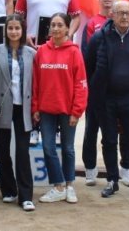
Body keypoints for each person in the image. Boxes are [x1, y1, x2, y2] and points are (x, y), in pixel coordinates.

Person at [84, 0, 129, 201]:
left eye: (128, 13)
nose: (124, 17)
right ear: (111, 15)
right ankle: (112, 181)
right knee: (109, 141)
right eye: (120, 13)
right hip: (107, 98)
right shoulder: (99, 37)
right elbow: (90, 66)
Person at [15, 0, 81, 145]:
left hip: (61, 47)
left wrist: (69, 34)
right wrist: (24, 34)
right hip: (34, 48)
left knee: (59, 87)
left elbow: (76, 16)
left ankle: (59, 129)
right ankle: (34, 129)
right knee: (33, 87)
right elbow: (18, 17)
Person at [32, 12, 88, 205]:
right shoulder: (41, 51)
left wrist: (76, 111)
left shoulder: (74, 52)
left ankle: (70, 186)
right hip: (46, 109)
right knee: (48, 148)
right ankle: (58, 186)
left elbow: (81, 84)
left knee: (68, 149)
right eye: (52, 25)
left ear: (67, 28)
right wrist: (35, 107)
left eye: (59, 25)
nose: (55, 28)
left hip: (67, 111)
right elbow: (36, 83)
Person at [81, 0, 129, 187]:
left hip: (122, 90)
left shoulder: (126, 21)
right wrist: (91, 87)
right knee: (91, 129)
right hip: (98, 89)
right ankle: (90, 169)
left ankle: (126, 169)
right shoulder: (92, 24)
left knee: (124, 131)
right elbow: (87, 57)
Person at [0, 15, 36, 212]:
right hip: (1, 105)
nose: (14, 32)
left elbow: (36, 83)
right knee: (3, 150)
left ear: (23, 30)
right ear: (5, 30)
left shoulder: (32, 53)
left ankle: (26, 196)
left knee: (22, 151)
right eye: (10, 28)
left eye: (17, 28)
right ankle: (8, 190)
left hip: (24, 107)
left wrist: (36, 108)